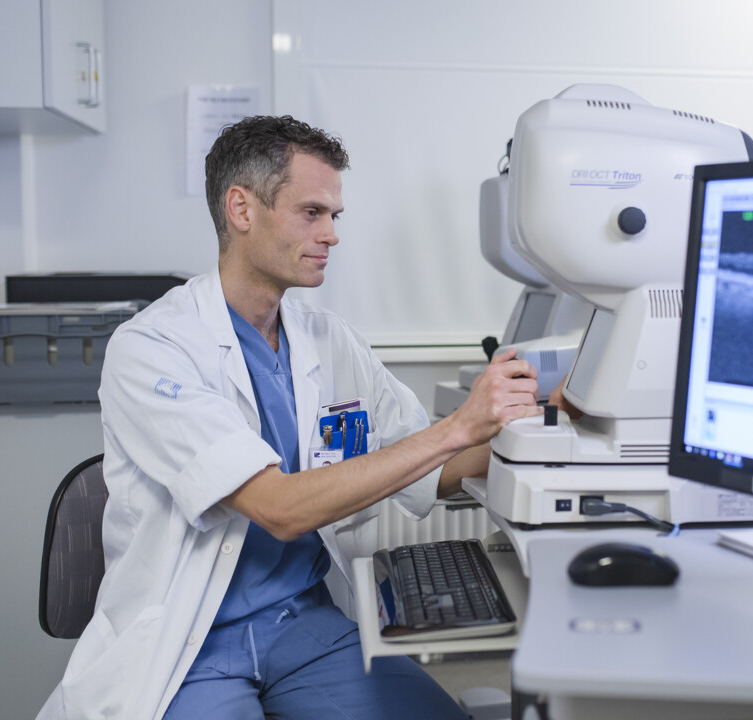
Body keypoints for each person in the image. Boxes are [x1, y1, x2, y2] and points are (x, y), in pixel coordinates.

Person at [37, 115, 541, 720]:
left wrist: (544, 415)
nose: (332, 234)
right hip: (191, 642)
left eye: (336, 216)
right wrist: (458, 425)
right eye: (312, 213)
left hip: (302, 624)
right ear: (242, 209)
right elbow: (279, 508)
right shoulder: (150, 349)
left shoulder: (330, 340)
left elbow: (427, 466)